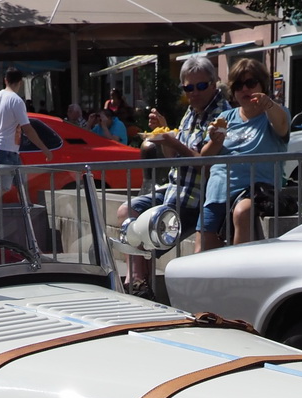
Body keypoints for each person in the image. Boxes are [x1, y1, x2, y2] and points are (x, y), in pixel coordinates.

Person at [116, 54, 230, 292]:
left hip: (195, 197)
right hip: (174, 190)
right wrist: (165, 130)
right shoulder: (192, 111)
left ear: (213, 83)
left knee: (144, 237)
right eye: (189, 87)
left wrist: (174, 142)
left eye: (200, 86)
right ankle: (139, 282)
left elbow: (204, 162)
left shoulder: (220, 115)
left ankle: (139, 284)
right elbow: (172, 158)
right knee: (127, 210)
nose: (194, 92)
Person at [199, 56, 289, 248]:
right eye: (239, 85)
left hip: (256, 192)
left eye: (250, 83)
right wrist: (215, 141)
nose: (245, 89)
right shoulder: (225, 117)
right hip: (218, 192)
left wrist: (269, 105)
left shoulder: (275, 113)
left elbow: (282, 126)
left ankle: (238, 273)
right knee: (201, 250)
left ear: (262, 85)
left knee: (242, 212)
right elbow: (205, 157)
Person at [0, 67, 51, 197]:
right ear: (20, 82)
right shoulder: (17, 101)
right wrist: (45, 149)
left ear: (5, 80)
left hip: (3, 148)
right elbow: (27, 128)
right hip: (7, 149)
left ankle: (25, 213)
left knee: (20, 184)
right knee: (2, 187)